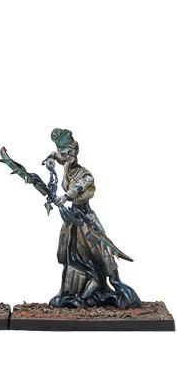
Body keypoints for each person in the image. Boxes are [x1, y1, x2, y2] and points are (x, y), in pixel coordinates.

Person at [45, 128, 140, 309]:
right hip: (72, 219)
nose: (67, 156)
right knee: (70, 255)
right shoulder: (66, 164)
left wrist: (65, 197)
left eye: (70, 152)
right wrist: (50, 159)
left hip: (85, 220)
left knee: (99, 255)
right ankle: (73, 292)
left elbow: (79, 187)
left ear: (75, 150)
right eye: (64, 154)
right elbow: (54, 155)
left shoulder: (85, 175)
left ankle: (101, 287)